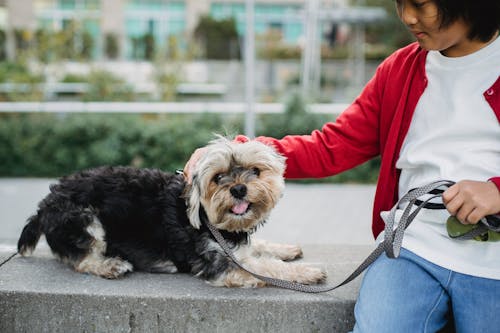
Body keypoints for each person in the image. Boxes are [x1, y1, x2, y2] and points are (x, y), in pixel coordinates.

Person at [185, 0, 500, 331]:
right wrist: (243, 152)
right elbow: (332, 146)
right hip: (410, 251)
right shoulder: (400, 70)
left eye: (421, 4)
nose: (408, 16)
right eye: (400, 2)